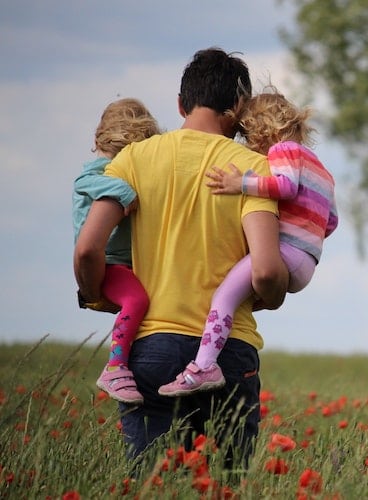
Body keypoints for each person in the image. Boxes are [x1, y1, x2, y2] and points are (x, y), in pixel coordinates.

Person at [73, 48, 289, 466]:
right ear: (239, 108)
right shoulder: (253, 170)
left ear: (180, 103)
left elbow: (87, 248)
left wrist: (96, 293)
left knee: (152, 483)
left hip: (150, 348)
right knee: (225, 487)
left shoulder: (133, 159)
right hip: (228, 352)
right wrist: (274, 293)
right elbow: (264, 270)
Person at [159, 89, 338, 397]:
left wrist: (239, 184)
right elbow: (331, 221)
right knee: (239, 296)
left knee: (223, 297)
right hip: (307, 261)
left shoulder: (284, 151)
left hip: (285, 252)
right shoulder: (322, 170)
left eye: (248, 135)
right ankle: (213, 351)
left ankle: (203, 366)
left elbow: (284, 186)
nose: (248, 144)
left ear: (264, 129)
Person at [73, 98, 160, 404]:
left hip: (123, 263)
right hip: (108, 263)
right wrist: (125, 192)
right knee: (137, 299)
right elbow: (85, 182)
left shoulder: (114, 167)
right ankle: (115, 366)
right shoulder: (100, 171)